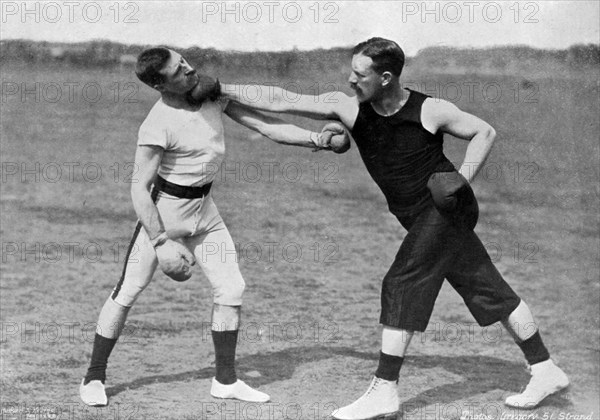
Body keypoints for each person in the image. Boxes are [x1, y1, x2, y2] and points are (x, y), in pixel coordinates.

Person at [217, 38, 569, 419]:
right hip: (417, 217)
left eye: (360, 74)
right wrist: (220, 90)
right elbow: (281, 98)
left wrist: (462, 179)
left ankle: (384, 389)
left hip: (447, 208)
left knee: (401, 281)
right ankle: (545, 369)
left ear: (385, 78)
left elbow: (485, 132)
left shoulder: (429, 109)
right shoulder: (349, 107)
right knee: (484, 284)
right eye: (351, 70)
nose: (351, 79)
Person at [79, 47, 335, 407]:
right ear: (159, 84)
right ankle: (94, 376)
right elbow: (139, 188)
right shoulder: (156, 124)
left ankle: (226, 380)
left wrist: (315, 139)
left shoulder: (211, 94)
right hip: (165, 214)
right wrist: (160, 240)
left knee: (231, 289)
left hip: (205, 213)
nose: (190, 69)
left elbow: (265, 124)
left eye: (185, 61)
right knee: (128, 291)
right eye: (178, 71)